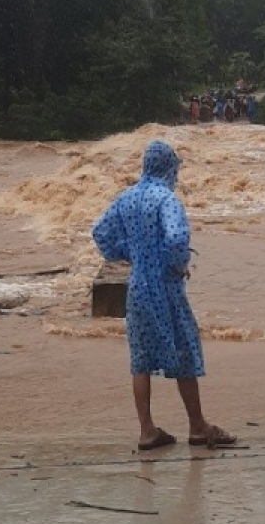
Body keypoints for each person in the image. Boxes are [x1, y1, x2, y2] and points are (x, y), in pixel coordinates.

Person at [92, 140, 237, 451]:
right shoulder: (166, 199)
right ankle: (197, 426)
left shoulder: (126, 197)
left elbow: (100, 232)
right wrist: (177, 265)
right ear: (170, 167)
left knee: (140, 359)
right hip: (165, 288)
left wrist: (128, 253)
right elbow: (176, 237)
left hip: (138, 287)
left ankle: (147, 430)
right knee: (184, 350)